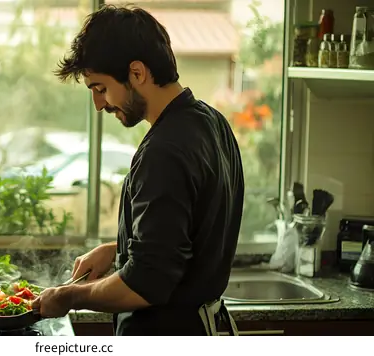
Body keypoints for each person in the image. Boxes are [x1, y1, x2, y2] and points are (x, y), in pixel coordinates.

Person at [31, 4, 245, 336]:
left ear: (137, 73)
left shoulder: (163, 152)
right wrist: (119, 249)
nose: (99, 104)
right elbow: (185, 238)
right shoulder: (211, 122)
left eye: (101, 88)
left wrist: (68, 296)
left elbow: (145, 285)